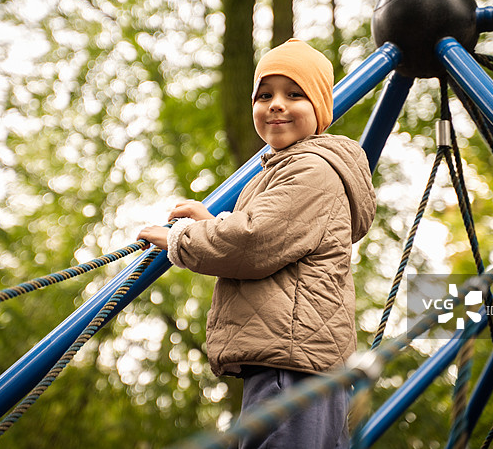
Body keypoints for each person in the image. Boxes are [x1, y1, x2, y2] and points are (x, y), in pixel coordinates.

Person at [138, 38, 376, 448]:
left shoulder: (313, 169)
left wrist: (179, 239)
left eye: (294, 94)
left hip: (292, 360)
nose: (276, 104)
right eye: (264, 95)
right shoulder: (283, 170)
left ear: (320, 109)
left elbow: (252, 243)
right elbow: (269, 237)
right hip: (296, 356)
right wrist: (213, 222)